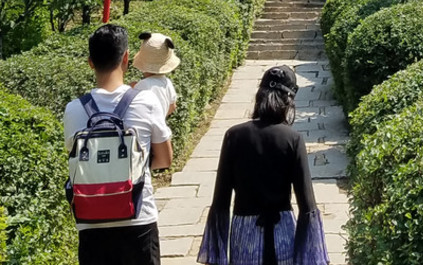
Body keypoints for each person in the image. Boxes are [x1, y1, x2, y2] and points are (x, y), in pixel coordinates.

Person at [63, 24, 173, 265]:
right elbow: (165, 159)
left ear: (90, 62)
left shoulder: (73, 110)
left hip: (90, 223)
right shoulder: (146, 101)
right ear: (125, 58)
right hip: (138, 219)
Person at [198, 64, 328, 265]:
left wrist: (215, 256)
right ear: (288, 100)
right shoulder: (293, 139)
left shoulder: (234, 135)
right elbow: (307, 205)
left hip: (244, 234)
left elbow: (221, 202)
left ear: (260, 95)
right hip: (282, 231)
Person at [131, 31, 180, 118]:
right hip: (162, 127)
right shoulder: (167, 83)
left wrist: (131, 89)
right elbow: (173, 106)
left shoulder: (142, 85)